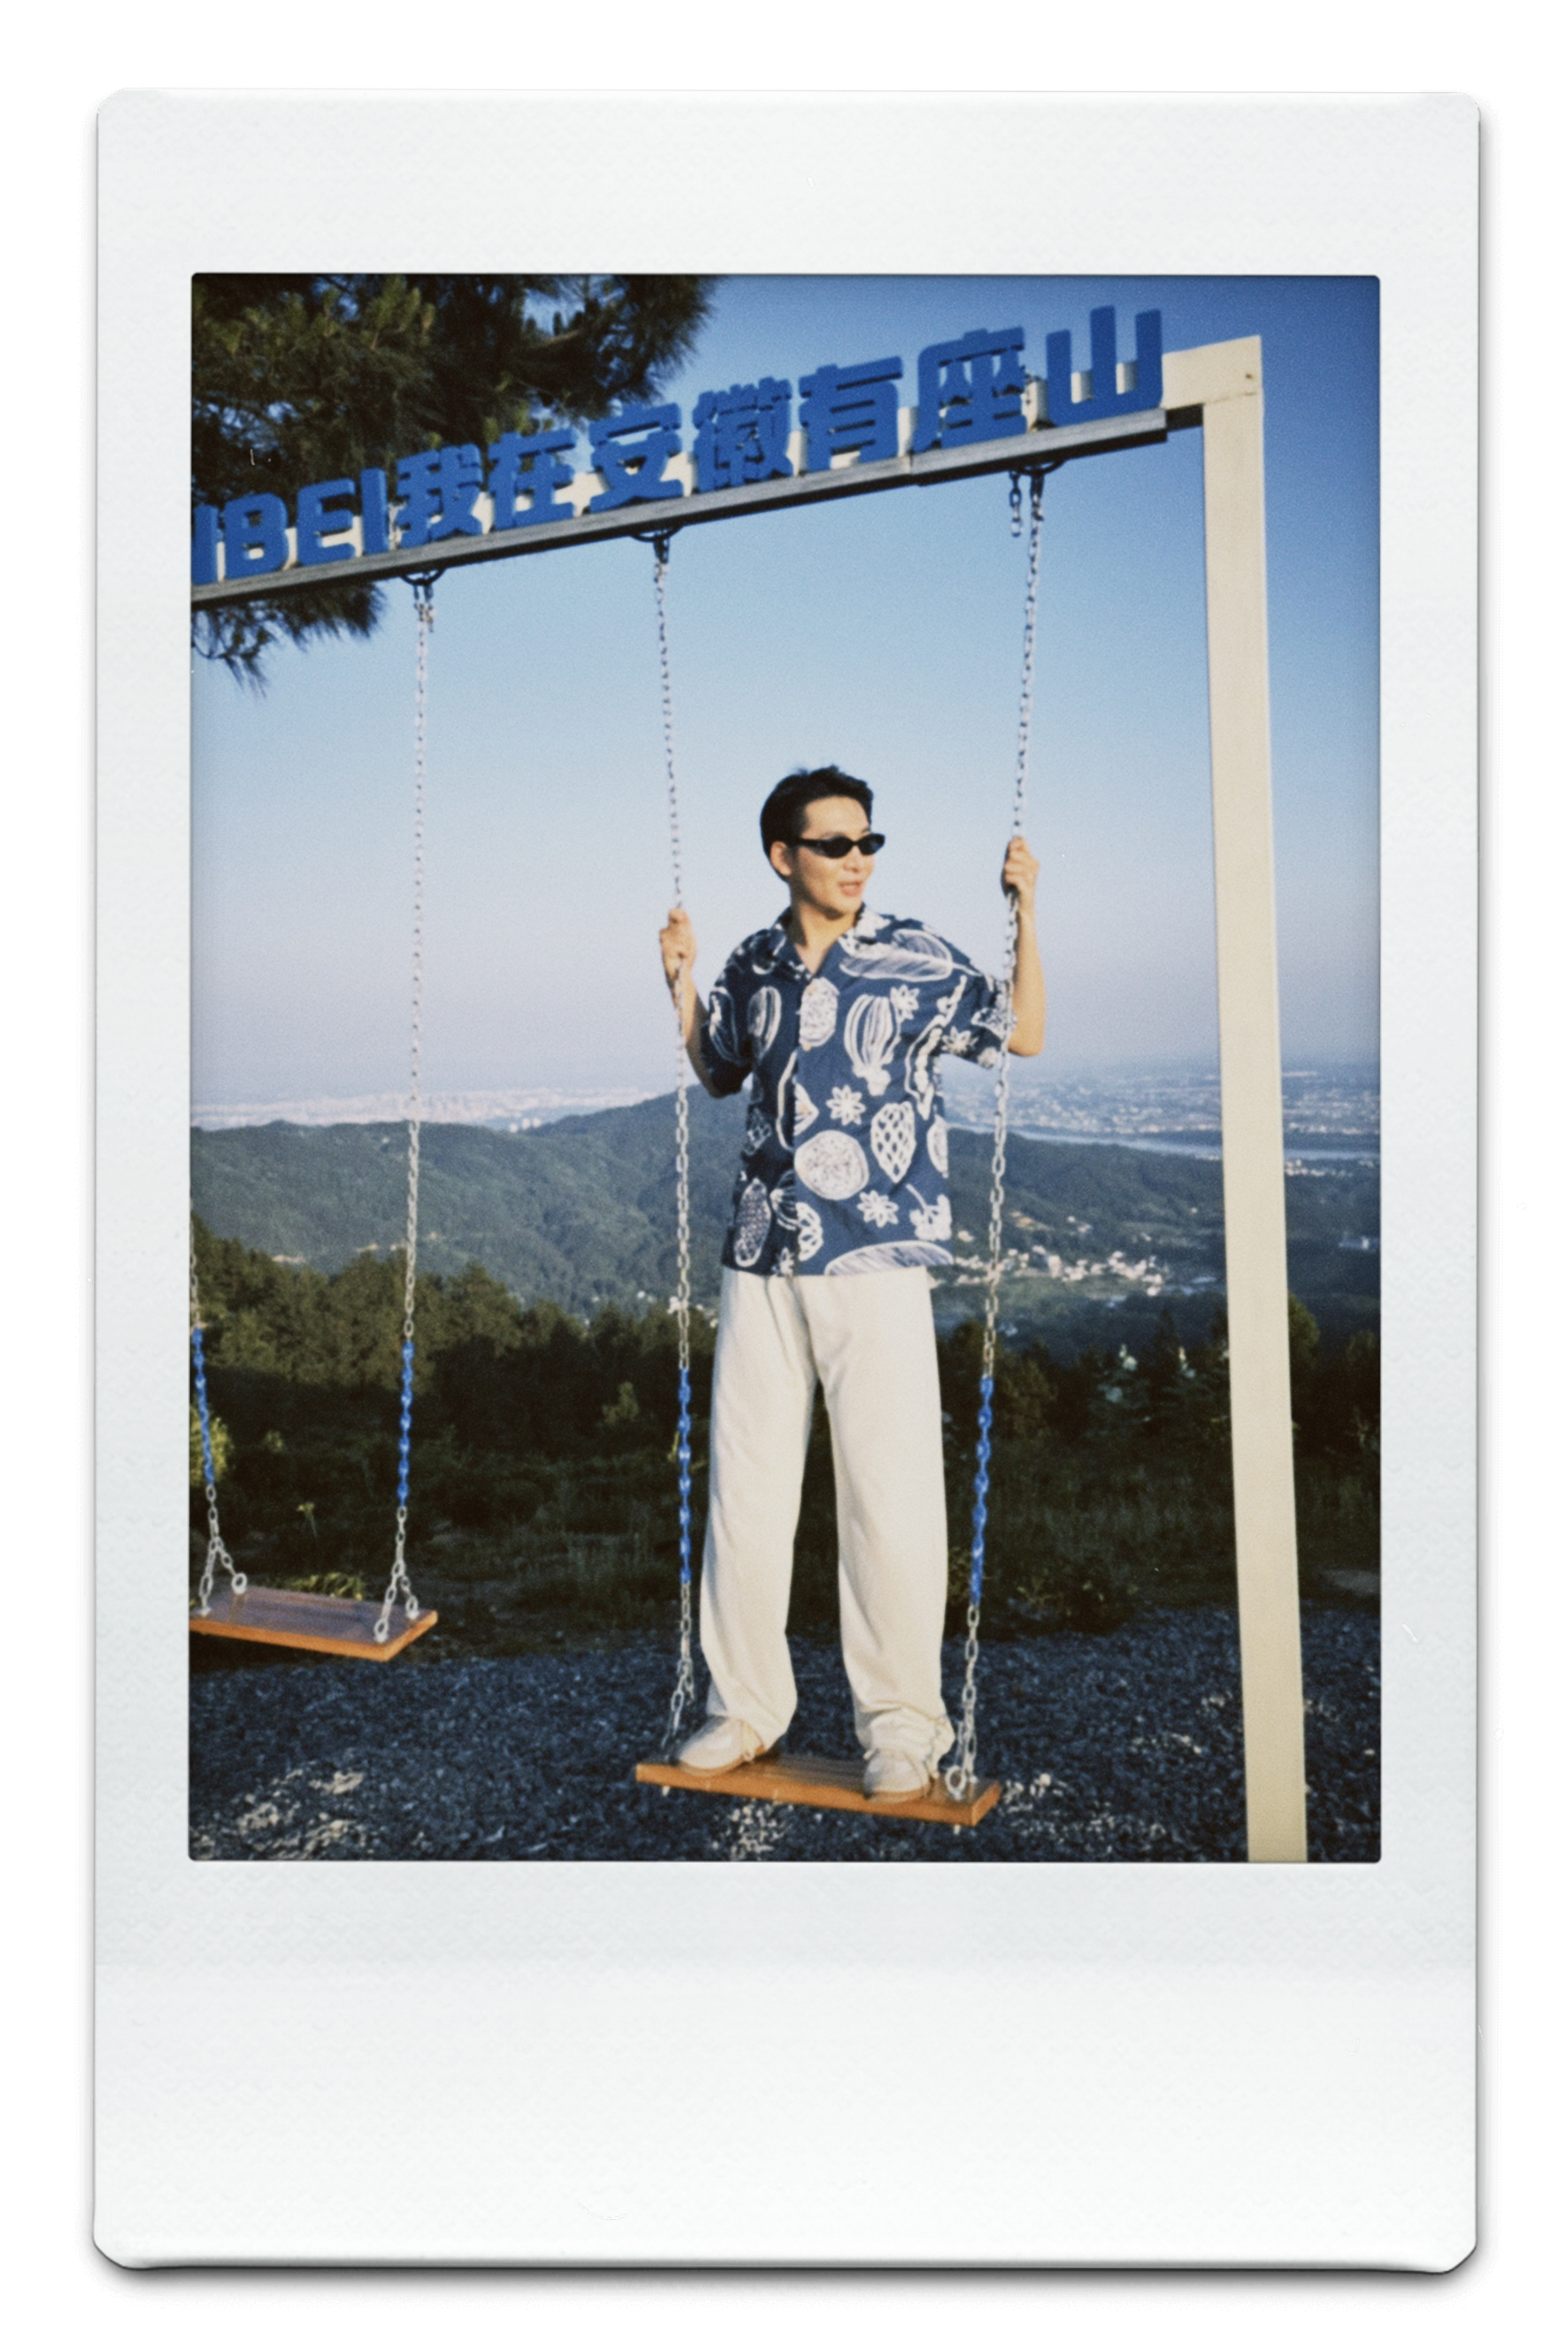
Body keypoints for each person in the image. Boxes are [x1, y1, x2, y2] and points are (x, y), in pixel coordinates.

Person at [658, 765, 1044, 1803]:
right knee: (746, 1493)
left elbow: (1023, 1030)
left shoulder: (916, 956)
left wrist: (1025, 909)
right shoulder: (753, 960)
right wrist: (681, 985)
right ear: (784, 857)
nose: (857, 859)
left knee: (889, 1497)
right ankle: (743, 1708)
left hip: (875, 1257)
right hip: (761, 1251)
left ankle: (902, 1730)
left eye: (868, 841)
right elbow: (718, 1070)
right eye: (834, 844)